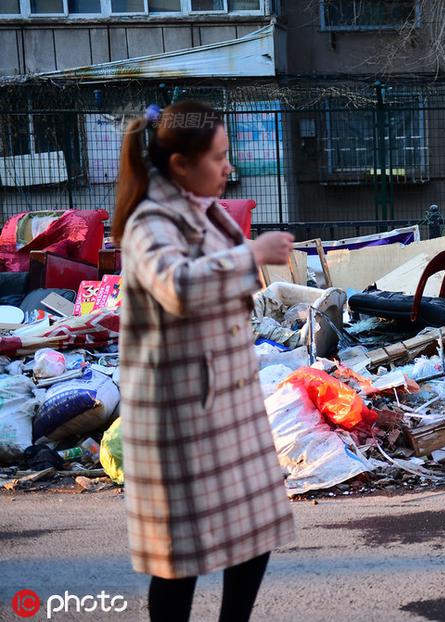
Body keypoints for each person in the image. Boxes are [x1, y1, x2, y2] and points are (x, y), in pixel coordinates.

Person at [113, 100, 296, 622]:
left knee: (255, 532)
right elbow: (177, 285)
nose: (229, 168)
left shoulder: (201, 208)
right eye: (219, 158)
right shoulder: (149, 222)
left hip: (225, 403)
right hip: (182, 413)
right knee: (180, 562)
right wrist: (253, 254)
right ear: (180, 166)